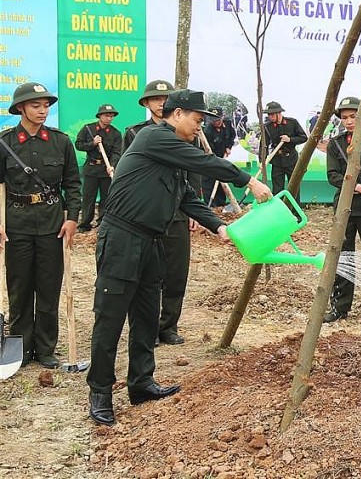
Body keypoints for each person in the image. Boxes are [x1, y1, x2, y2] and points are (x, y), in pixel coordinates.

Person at [87, 89, 272, 426]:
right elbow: (204, 162)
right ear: (177, 114)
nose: (200, 127)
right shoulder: (154, 137)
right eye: (197, 120)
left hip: (152, 241)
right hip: (122, 240)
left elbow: (186, 196)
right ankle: (100, 392)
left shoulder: (171, 153)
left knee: (147, 316)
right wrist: (249, 181)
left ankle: (141, 382)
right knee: (110, 318)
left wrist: (219, 227)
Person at [0, 83, 81, 369]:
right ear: (21, 108)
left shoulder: (60, 142)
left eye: (46, 105)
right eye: (36, 106)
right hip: (16, 224)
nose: (43, 110)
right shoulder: (5, 142)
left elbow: (73, 183)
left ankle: (46, 348)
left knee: (48, 288)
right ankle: (21, 348)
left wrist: (72, 218)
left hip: (52, 224)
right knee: (20, 288)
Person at [123, 80, 199, 346]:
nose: (161, 102)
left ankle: (168, 325)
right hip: (147, 214)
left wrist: (196, 210)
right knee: (144, 276)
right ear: (146, 103)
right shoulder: (137, 133)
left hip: (178, 211)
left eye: (165, 98)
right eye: (155, 98)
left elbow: (194, 170)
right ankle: (146, 328)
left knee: (176, 272)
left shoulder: (188, 131)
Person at [323, 96, 361, 323]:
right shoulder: (336, 144)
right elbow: (333, 176)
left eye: (353, 116)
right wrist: (356, 186)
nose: (349, 121)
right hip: (345, 207)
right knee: (344, 257)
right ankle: (340, 307)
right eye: (345, 118)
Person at [75, 104, 122, 232]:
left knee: (106, 198)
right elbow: (79, 145)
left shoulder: (116, 133)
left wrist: (112, 165)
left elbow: (117, 152)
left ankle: (102, 223)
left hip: (106, 169)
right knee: (88, 197)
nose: (109, 118)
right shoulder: (88, 129)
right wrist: (93, 143)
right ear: (100, 116)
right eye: (107, 115)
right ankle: (85, 224)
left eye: (111, 116)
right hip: (91, 169)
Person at [262, 101, 307, 196]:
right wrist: (262, 161)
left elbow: (303, 137)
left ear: (279, 113)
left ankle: (293, 206)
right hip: (277, 161)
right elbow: (263, 145)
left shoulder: (292, 123)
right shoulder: (267, 127)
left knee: (294, 188)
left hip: (291, 159)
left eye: (272, 114)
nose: (270, 117)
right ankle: (279, 205)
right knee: (277, 189)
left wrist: (290, 139)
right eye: (268, 114)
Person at [202, 106, 236, 207]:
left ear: (222, 117)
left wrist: (228, 147)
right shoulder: (208, 131)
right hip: (210, 158)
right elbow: (208, 150)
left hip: (222, 156)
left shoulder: (228, 123)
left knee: (222, 179)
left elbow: (232, 136)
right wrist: (215, 161)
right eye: (214, 121)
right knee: (210, 181)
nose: (216, 122)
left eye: (218, 120)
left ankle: (221, 205)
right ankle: (211, 206)